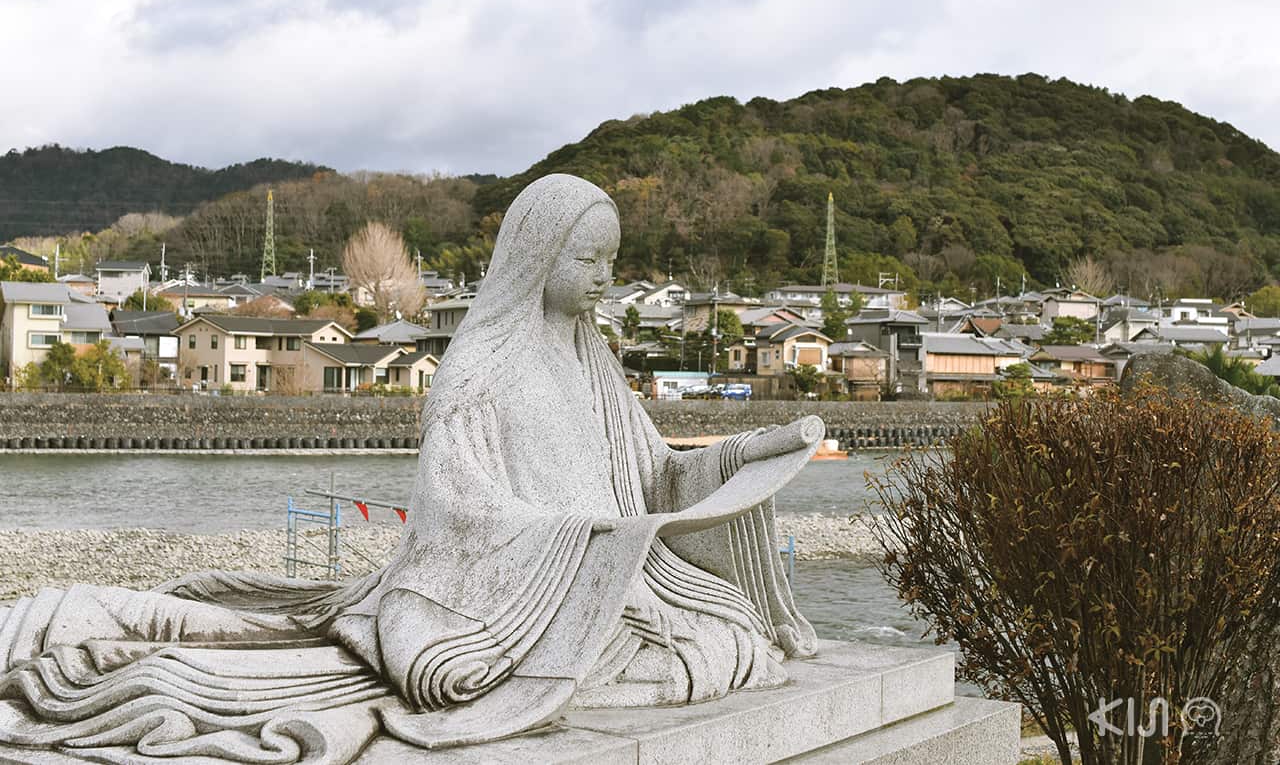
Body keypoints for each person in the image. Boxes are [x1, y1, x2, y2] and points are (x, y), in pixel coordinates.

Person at [0, 174, 817, 762]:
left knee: (728, 636)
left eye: (611, 261)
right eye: (590, 261)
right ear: (537, 257)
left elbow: (657, 475)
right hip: (514, 596)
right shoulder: (478, 369)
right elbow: (456, 511)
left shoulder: (596, 361)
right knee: (687, 654)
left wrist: (749, 452)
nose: (605, 278)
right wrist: (580, 533)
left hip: (611, 573)